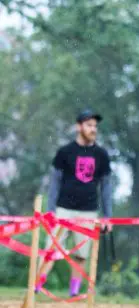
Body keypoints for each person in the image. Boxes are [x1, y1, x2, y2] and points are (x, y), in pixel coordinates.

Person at [37, 109, 113, 297]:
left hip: (88, 211)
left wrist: (107, 216)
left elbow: (106, 187)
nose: (93, 129)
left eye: (95, 125)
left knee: (81, 255)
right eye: (89, 125)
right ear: (79, 127)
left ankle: (74, 291)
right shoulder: (65, 152)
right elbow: (54, 183)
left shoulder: (102, 155)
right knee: (51, 250)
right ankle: (36, 287)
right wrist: (51, 210)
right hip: (63, 209)